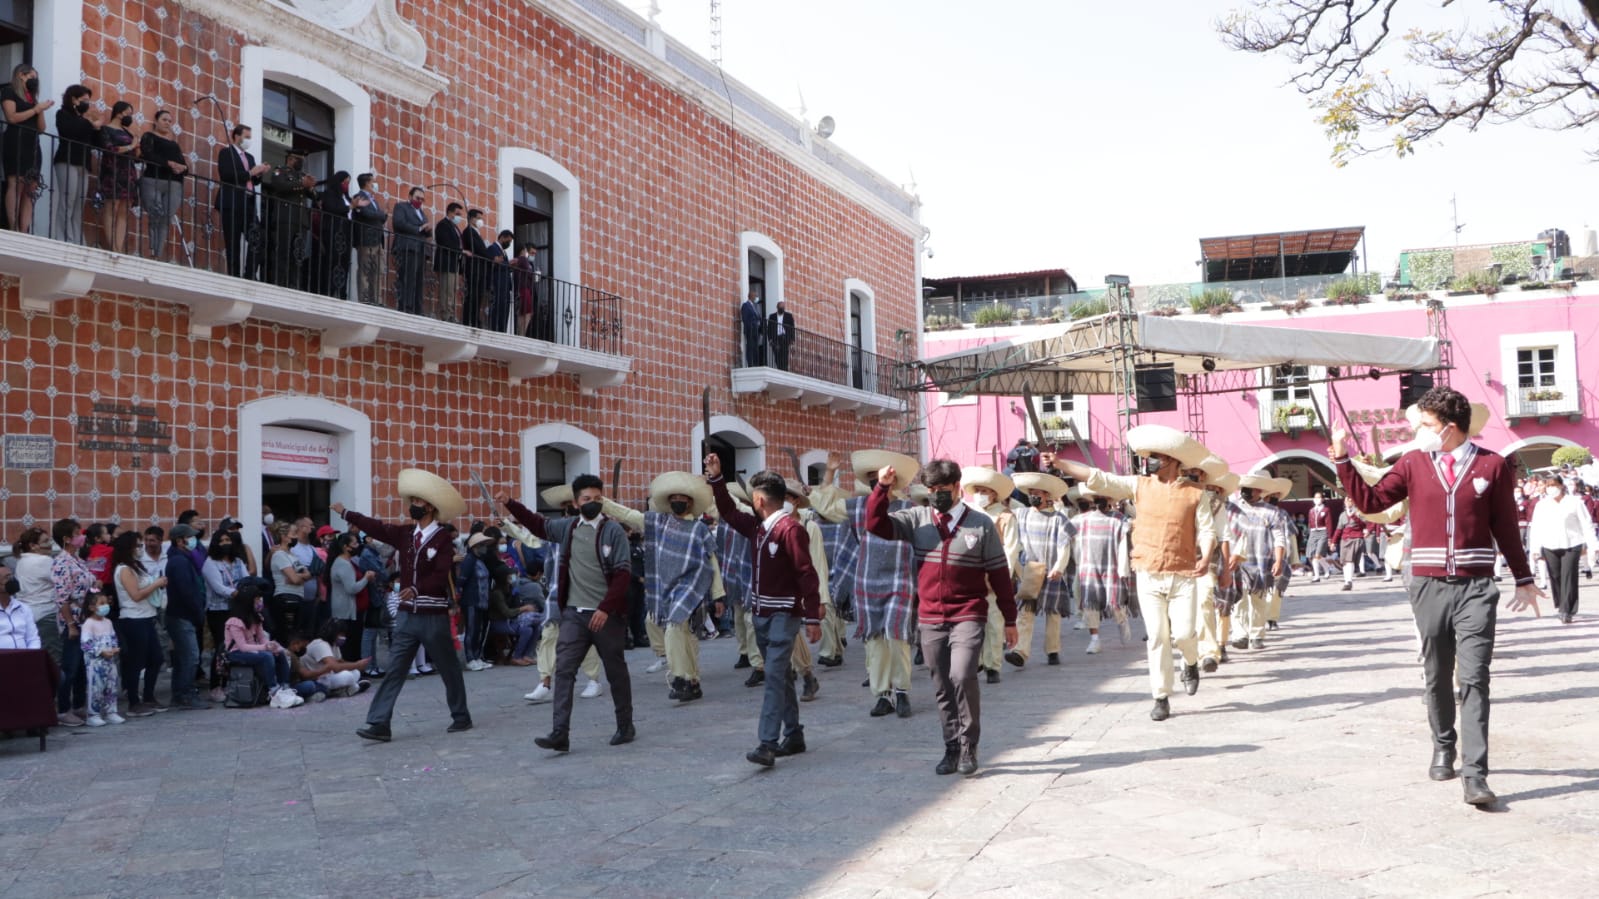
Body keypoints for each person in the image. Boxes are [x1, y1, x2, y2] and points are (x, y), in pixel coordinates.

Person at [1332, 385, 1541, 806]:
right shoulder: (1412, 463)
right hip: (1426, 585)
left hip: (1477, 587)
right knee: (1436, 672)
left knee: (1475, 677)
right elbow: (1372, 500)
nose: (1418, 431)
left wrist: (1523, 577)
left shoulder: (1493, 466)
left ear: (1449, 428)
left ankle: (1475, 774)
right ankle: (1443, 744)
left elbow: (1505, 526)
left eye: (1425, 424)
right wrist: (1341, 459)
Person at [1053, 425, 1216, 721]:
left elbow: (1206, 529)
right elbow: (1098, 478)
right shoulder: (1138, 485)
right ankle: (1161, 696)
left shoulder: (1196, 494)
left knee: (1183, 634)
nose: (1149, 461)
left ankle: (1190, 662)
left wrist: (1206, 555)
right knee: (1156, 636)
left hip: (1183, 574)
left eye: (1155, 457)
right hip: (1148, 571)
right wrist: (1060, 464)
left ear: (1172, 460)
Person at [867, 458, 1018, 776]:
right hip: (931, 616)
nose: (937, 495)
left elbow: (999, 573)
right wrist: (882, 488)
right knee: (942, 685)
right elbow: (875, 524)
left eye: (942, 489)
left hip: (968, 613)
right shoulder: (916, 519)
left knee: (962, 675)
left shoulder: (980, 524)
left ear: (957, 487)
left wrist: (1010, 619)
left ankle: (968, 745)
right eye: (931, 489)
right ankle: (951, 747)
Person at [500, 475, 636, 752]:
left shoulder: (613, 531)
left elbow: (623, 574)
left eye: (598, 499)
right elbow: (538, 525)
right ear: (575, 503)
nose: (592, 504)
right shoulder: (568, 528)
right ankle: (559, 732)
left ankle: (625, 724)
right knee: (564, 670)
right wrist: (511, 504)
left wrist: (606, 608)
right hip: (574, 613)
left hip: (606, 616)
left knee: (616, 671)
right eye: (587, 499)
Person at [337, 468, 473, 742]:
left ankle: (461, 715)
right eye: (412, 501)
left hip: (432, 613)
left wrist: (416, 588)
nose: (413, 506)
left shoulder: (444, 539)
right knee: (395, 670)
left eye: (418, 502)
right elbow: (377, 527)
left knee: (448, 667)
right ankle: (378, 723)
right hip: (406, 616)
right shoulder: (405, 534)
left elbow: (440, 572)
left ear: (431, 507)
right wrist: (346, 514)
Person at [706, 458, 823, 767]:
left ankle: (767, 743)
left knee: (772, 674)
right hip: (761, 613)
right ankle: (794, 734)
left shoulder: (791, 529)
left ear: (758, 500)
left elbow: (806, 574)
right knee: (781, 675)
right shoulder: (758, 527)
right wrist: (717, 480)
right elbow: (729, 513)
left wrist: (812, 616)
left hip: (784, 615)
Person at [600, 472, 724, 704]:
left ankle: (680, 679)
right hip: (665, 588)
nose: (677, 500)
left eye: (682, 497)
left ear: (690, 502)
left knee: (675, 627)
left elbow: (712, 563)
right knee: (669, 629)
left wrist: (718, 595)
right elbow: (629, 515)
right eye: (673, 497)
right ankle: (693, 680)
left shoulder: (699, 529)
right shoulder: (658, 522)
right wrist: (604, 503)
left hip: (691, 586)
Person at [960, 467, 1021, 682]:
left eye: (984, 490)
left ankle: (993, 665)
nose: (980, 494)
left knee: (994, 623)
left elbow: (1011, 550)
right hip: (970, 576)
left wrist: (1001, 576)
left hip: (992, 576)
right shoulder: (968, 513)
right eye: (977, 490)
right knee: (972, 621)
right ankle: (975, 661)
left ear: (994, 493)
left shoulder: (1005, 517)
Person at [1008, 471, 1074, 667]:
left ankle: (1053, 650)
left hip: (1052, 571)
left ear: (1047, 495)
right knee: (1025, 613)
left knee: (1053, 614)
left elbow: (1065, 547)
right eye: (1031, 492)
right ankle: (1020, 651)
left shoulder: (1060, 520)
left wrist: (1059, 568)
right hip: (1029, 571)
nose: (1033, 496)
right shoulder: (1021, 514)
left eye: (1037, 492)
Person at [109, 531, 168, 716]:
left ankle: (149, 696)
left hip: (146, 616)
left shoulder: (135, 566)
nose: (140, 549)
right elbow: (135, 595)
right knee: (136, 662)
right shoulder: (124, 569)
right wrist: (156, 584)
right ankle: (134, 702)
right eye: (138, 545)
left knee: (156, 658)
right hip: (133, 619)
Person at [1226, 475, 1288, 652]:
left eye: (1250, 488)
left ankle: (1257, 635)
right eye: (1244, 487)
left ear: (1259, 490)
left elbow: (1279, 538)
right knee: (1238, 600)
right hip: (1236, 562)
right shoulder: (1232, 508)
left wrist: (1278, 560)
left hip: (1261, 563)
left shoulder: (1271, 511)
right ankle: (1240, 634)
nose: (1245, 490)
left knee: (1258, 602)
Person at [1527, 474, 1598, 624]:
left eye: (1554, 485)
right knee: (1556, 576)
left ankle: (1567, 610)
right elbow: (1537, 528)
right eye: (1548, 486)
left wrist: (1593, 544)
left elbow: (1586, 524)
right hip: (1549, 544)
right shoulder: (1542, 505)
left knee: (1569, 576)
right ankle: (1561, 603)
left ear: (1561, 486)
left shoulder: (1574, 502)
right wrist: (1534, 548)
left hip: (1572, 544)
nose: (1551, 489)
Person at [222, 585, 302, 708]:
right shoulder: (235, 621)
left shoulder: (257, 618)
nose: (260, 603)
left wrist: (273, 646)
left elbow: (262, 638)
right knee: (266, 656)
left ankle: (285, 688)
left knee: (279, 653)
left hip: (252, 650)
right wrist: (265, 648)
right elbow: (243, 647)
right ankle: (274, 691)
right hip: (236, 653)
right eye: (257, 600)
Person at [163, 524, 209, 710]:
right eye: (189, 537)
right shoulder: (179, 562)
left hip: (182, 615)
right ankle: (185, 694)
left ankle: (180, 694)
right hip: (182, 615)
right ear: (180, 540)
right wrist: (197, 611)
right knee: (191, 657)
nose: (193, 540)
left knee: (184, 658)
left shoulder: (183, 559)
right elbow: (187, 591)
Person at [215, 124, 270, 278]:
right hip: (231, 202)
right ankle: (234, 276)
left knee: (258, 238)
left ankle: (249, 274)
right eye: (246, 137)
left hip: (248, 203)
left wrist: (259, 174)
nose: (248, 141)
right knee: (232, 242)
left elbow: (254, 181)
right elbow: (226, 175)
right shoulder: (226, 153)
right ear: (236, 136)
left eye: (250, 138)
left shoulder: (250, 157)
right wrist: (250, 172)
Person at [1, 64, 51, 233]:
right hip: (15, 141)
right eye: (32, 76)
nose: (34, 80)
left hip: (33, 145)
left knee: (31, 186)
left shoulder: (33, 100)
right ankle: (13, 225)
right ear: (21, 75)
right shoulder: (9, 92)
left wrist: (40, 109)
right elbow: (12, 117)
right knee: (16, 182)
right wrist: (35, 109)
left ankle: (24, 228)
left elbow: (42, 128)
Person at [201, 528, 247, 701]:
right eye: (222, 541)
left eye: (228, 540)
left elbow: (246, 579)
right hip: (218, 610)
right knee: (222, 647)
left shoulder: (238, 562)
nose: (226, 543)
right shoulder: (210, 563)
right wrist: (236, 594)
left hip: (237, 609)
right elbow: (218, 587)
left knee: (236, 646)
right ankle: (216, 685)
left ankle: (231, 682)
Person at [259, 149, 316, 289]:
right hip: (285, 218)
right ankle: (279, 283)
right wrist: (301, 184)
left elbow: (314, 196)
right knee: (283, 252)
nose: (301, 162)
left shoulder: (302, 176)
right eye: (299, 159)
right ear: (290, 159)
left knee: (297, 254)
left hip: (300, 221)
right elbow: (279, 186)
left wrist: (310, 187)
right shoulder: (280, 171)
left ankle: (294, 284)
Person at [52, 83, 100, 244]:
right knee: (68, 200)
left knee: (79, 204)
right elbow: (70, 132)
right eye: (84, 99)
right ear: (74, 99)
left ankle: (78, 239)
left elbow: (96, 142)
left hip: (83, 164)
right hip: (67, 161)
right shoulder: (63, 114)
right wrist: (89, 122)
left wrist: (98, 128)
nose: (87, 103)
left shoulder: (84, 121)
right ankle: (65, 238)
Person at [137, 109, 188, 260]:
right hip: (153, 180)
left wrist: (184, 168)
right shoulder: (149, 136)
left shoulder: (174, 144)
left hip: (174, 184)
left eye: (170, 121)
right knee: (155, 216)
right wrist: (168, 163)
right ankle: (152, 251)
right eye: (164, 120)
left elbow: (184, 164)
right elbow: (147, 154)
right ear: (156, 121)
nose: (168, 123)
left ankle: (158, 253)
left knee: (166, 218)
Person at [98, 102, 139, 253]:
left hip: (128, 172)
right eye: (128, 113)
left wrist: (136, 144)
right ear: (119, 113)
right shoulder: (106, 129)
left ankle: (119, 247)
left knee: (123, 210)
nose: (130, 117)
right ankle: (111, 245)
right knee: (111, 206)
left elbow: (136, 156)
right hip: (112, 170)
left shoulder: (128, 132)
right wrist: (129, 146)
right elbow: (109, 148)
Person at [326, 532, 373, 663]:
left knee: (353, 643)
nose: (358, 545)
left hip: (350, 610)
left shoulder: (348, 562)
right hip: (345, 612)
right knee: (349, 645)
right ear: (346, 547)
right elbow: (351, 588)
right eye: (354, 543)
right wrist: (366, 578)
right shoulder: (343, 564)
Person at [80, 596, 124, 726]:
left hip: (110, 661)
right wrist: (100, 651)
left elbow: (113, 637)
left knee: (111, 686)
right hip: (95, 663)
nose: (106, 606)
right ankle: (93, 714)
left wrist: (114, 648)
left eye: (106, 603)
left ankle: (111, 712)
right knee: (96, 688)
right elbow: (85, 644)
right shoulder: (89, 623)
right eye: (102, 603)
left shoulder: (108, 622)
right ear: (92, 607)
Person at [267, 521, 311, 636]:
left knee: (296, 634)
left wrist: (296, 577)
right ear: (284, 537)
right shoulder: (279, 555)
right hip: (285, 598)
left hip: (298, 597)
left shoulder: (293, 556)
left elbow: (308, 575)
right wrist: (298, 578)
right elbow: (296, 579)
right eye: (294, 533)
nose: (296, 536)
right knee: (287, 635)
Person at [350, 172, 387, 304]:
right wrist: (380, 214)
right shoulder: (358, 197)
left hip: (377, 240)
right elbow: (366, 213)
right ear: (366, 183)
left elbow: (381, 217)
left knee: (377, 270)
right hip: (366, 239)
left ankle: (376, 299)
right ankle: (364, 298)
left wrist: (379, 215)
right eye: (373, 182)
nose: (375, 184)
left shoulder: (373, 200)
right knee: (365, 269)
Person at [315, 170, 353, 298]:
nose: (346, 185)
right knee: (332, 261)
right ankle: (329, 291)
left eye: (348, 182)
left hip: (345, 235)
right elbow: (332, 208)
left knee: (344, 262)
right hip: (333, 232)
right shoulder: (329, 194)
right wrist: (350, 207)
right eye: (345, 182)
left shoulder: (347, 198)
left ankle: (341, 292)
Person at [392, 186, 429, 314]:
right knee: (407, 278)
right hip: (407, 248)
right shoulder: (401, 207)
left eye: (422, 199)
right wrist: (419, 229)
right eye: (417, 198)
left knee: (418, 280)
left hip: (420, 250)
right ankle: (405, 307)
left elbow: (423, 231)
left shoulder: (422, 214)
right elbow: (399, 223)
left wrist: (427, 231)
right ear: (410, 196)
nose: (419, 201)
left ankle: (418, 308)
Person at [433, 203, 465, 323]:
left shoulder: (455, 227)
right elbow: (445, 242)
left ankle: (450, 313)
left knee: (452, 290)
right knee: (446, 290)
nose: (458, 217)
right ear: (450, 212)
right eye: (457, 214)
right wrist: (461, 251)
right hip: (445, 262)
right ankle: (445, 314)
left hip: (454, 263)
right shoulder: (443, 225)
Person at [1306, 489, 1333, 581]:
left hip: (1323, 532)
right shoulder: (1311, 511)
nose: (1316, 499)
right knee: (1313, 555)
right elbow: (1310, 523)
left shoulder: (1326, 510)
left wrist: (1329, 537)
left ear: (1322, 499)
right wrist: (1309, 533)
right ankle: (1320, 574)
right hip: (1313, 532)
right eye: (1315, 497)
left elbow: (1329, 524)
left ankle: (1324, 571)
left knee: (1318, 554)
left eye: (1319, 497)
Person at [766, 300, 795, 370]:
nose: (782, 309)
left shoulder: (789, 316)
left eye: (783, 307)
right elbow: (769, 329)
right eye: (780, 307)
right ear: (777, 307)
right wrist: (770, 339)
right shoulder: (772, 316)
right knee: (777, 356)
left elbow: (792, 328)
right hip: (776, 339)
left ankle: (784, 371)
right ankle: (780, 369)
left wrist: (792, 340)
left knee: (785, 356)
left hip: (785, 338)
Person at [740, 290, 763, 366]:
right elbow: (745, 318)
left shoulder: (755, 306)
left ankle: (756, 363)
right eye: (755, 296)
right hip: (750, 330)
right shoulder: (746, 305)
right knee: (750, 347)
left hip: (756, 330)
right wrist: (748, 327)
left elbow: (758, 317)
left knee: (755, 347)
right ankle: (750, 363)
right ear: (751, 296)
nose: (756, 297)